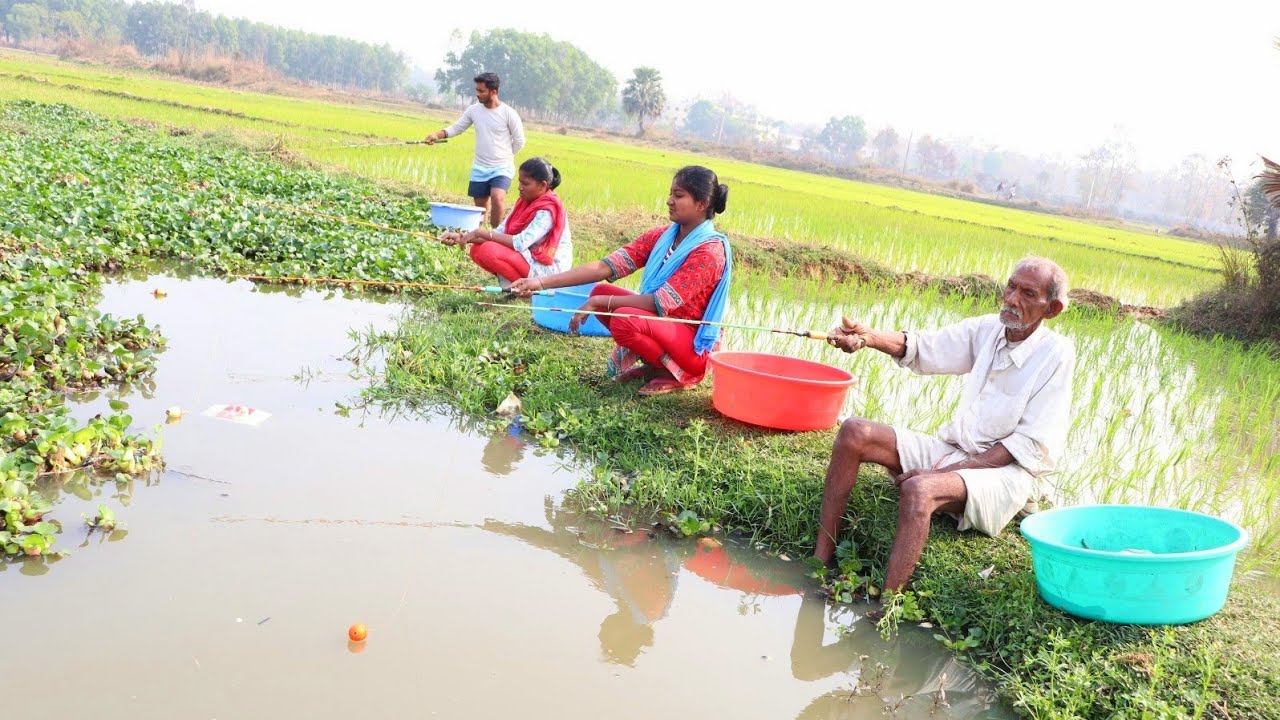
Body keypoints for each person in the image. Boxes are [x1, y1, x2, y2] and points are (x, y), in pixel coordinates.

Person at [813, 257, 1075, 592]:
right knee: (854, 431)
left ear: (1051, 308)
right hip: (957, 452)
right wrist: (867, 337)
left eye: (1027, 293)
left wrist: (939, 475)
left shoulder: (1057, 354)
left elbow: (1022, 446)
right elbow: (926, 347)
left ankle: (887, 605)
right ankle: (819, 562)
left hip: (1005, 475)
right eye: (1011, 286)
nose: (1011, 299)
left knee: (920, 489)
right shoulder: (988, 330)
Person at [510, 166, 732, 397]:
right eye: (670, 194)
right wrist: (540, 282)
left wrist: (599, 301)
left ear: (702, 204)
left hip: (690, 345)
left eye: (678, 196)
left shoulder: (709, 251)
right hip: (662, 325)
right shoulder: (663, 237)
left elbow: (660, 302)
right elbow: (606, 266)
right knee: (602, 290)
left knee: (624, 319)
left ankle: (675, 373)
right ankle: (654, 366)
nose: (669, 201)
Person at [440, 157, 572, 284]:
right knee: (477, 250)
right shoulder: (524, 203)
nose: (520, 187)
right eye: (519, 182)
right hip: (529, 258)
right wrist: (463, 237)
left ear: (542, 185)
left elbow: (520, 243)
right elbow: (500, 232)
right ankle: (519, 287)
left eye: (525, 183)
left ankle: (529, 290)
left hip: (548, 269)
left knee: (489, 250)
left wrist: (481, 233)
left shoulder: (547, 210)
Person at [423, 71, 525, 227]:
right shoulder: (474, 110)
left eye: (481, 91)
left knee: (497, 198)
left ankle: (496, 235)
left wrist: (504, 156)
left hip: (502, 167)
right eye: (477, 90)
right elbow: (457, 128)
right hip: (480, 167)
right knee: (480, 208)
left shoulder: (508, 113)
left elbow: (519, 141)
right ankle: (481, 236)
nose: (478, 94)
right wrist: (437, 134)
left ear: (494, 92)